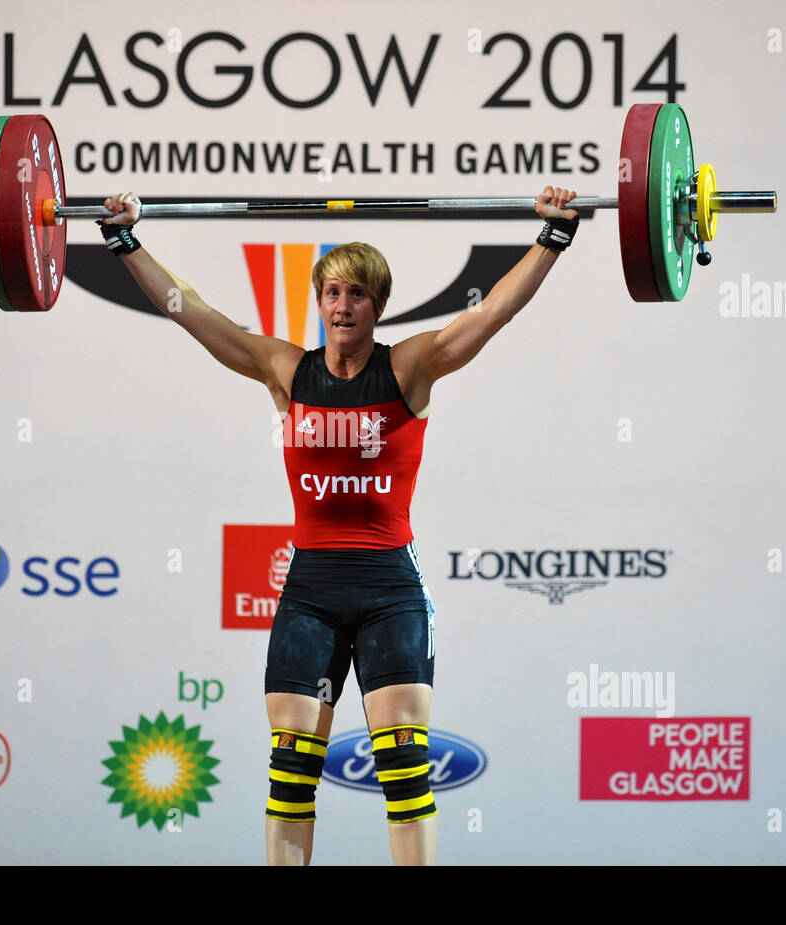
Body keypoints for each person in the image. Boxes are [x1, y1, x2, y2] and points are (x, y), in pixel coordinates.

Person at [100, 188, 579, 865]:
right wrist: (125, 240)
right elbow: (193, 314)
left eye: (357, 294)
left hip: (390, 590)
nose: (343, 305)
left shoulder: (408, 367)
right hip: (311, 592)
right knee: (292, 770)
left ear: (377, 306)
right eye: (331, 292)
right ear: (318, 302)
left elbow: (494, 312)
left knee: (405, 766)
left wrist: (553, 237)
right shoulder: (284, 371)